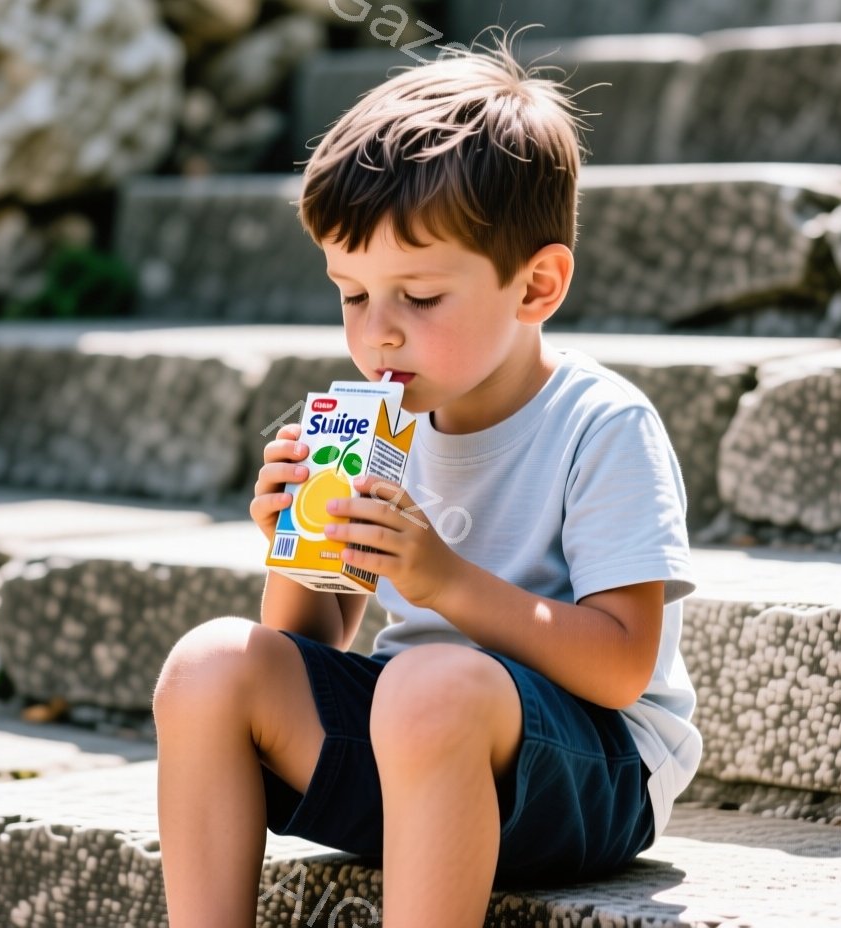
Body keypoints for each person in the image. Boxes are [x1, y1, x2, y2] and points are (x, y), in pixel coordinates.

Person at [153, 28, 700, 928]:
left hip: (588, 776)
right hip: (412, 754)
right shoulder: (374, 421)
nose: (379, 335)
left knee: (429, 681)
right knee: (209, 665)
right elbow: (316, 647)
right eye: (353, 293)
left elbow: (619, 667)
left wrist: (444, 581)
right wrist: (297, 549)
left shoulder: (601, 423)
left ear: (535, 287)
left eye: (420, 296)